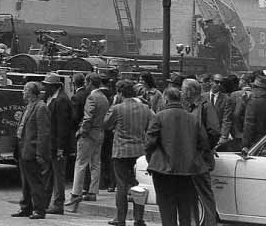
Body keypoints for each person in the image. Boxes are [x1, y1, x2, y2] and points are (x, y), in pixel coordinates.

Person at [146, 87, 208, 226]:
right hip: (188, 169)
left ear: (166, 99)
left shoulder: (159, 116)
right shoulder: (192, 118)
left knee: (166, 206)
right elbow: (204, 143)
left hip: (163, 169)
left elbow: (150, 142)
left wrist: (151, 159)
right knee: (186, 205)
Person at [104, 79, 153, 226]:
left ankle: (120, 218)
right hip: (139, 151)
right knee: (139, 185)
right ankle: (139, 218)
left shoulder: (117, 108)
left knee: (121, 186)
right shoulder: (145, 108)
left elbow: (106, 125)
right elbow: (151, 127)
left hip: (121, 151)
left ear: (119, 92)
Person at [67, 72, 110, 210]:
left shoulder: (92, 97)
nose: (85, 85)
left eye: (86, 82)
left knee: (80, 163)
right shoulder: (104, 97)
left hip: (89, 133)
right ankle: (93, 191)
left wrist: (81, 131)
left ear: (90, 83)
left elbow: (88, 117)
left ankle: (76, 193)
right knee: (96, 163)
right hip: (100, 132)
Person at [182, 78, 221, 226]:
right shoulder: (190, 107)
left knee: (204, 193)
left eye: (184, 89)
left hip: (200, 157)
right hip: (191, 157)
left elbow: (214, 131)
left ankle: (210, 223)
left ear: (190, 91)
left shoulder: (205, 106)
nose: (182, 92)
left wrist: (205, 148)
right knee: (191, 193)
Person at [11, 81, 49, 220]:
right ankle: (26, 207)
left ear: (32, 93)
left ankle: (39, 209)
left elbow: (43, 133)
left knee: (35, 181)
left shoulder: (41, 107)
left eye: (25, 90)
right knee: (25, 181)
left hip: (32, 150)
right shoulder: (29, 106)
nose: (23, 92)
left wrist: (39, 152)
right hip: (23, 149)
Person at [40, 73, 72, 215]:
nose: (45, 88)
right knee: (47, 174)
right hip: (49, 144)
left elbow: (62, 126)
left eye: (47, 85)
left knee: (58, 175)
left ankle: (58, 204)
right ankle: (45, 202)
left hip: (57, 145)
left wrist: (60, 147)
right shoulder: (50, 98)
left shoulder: (61, 100)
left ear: (54, 86)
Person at [242, 76, 266, 151]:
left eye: (254, 87)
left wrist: (245, 145)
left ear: (259, 89)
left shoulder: (253, 104)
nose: (252, 90)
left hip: (255, 144)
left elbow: (249, 125)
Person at [205, 74, 233, 149]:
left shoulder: (226, 99)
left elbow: (226, 119)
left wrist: (224, 136)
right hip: (204, 135)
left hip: (218, 135)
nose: (219, 84)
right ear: (211, 82)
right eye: (217, 82)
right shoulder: (203, 97)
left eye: (221, 83)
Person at [228, 73, 253, 151]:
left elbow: (235, 114)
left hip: (238, 132)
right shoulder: (256, 94)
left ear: (244, 81)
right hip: (252, 131)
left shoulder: (235, 95)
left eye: (240, 80)